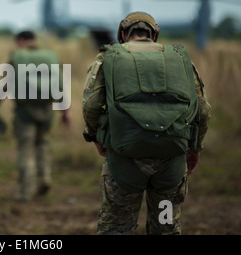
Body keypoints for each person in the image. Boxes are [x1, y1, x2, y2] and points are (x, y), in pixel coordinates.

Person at [82, 12, 211, 235]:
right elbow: (204, 110)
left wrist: (96, 137)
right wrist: (195, 149)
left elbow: (91, 105)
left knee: (117, 227)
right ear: (155, 34)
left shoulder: (108, 58)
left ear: (123, 34)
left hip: (124, 162)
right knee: (165, 226)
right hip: (170, 164)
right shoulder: (179, 59)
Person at [0, 30, 71, 201]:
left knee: (25, 149)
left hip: (24, 111)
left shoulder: (17, 57)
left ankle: (25, 191)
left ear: (20, 40)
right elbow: (60, 83)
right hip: (47, 110)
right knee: (42, 144)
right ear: (34, 40)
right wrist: (65, 111)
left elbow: (5, 85)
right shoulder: (50, 57)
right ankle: (45, 178)